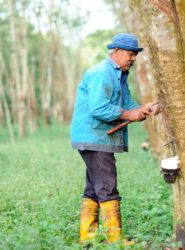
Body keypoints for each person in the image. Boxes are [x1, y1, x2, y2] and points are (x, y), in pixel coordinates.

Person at [70, 33, 161, 244]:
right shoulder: (102, 73)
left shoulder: (119, 75)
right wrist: (130, 115)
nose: (133, 58)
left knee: (94, 187)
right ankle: (114, 241)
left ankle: (88, 238)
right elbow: (98, 108)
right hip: (94, 136)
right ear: (116, 52)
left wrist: (143, 109)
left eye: (135, 55)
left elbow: (128, 104)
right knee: (107, 186)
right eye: (130, 54)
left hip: (97, 137)